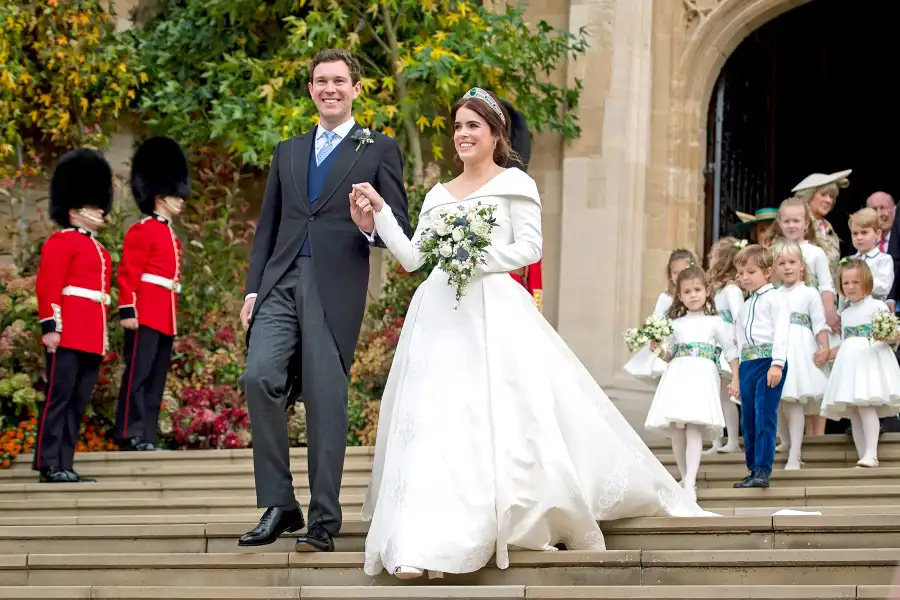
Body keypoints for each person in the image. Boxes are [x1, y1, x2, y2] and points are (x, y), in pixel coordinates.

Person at [350, 87, 712, 580]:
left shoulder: (516, 184)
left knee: (495, 419)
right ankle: (418, 543)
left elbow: (528, 249)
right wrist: (380, 218)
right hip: (438, 317)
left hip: (494, 312)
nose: (463, 134)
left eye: (473, 125)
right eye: (457, 126)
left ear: (496, 134)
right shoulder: (437, 194)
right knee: (436, 422)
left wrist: (471, 258)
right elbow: (415, 258)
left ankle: (494, 522)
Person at [236, 49, 410, 551]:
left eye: (338, 80)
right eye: (320, 81)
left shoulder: (378, 149)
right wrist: (253, 288)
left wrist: (370, 227)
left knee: (326, 402)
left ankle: (323, 521)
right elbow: (268, 226)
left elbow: (398, 229)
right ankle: (280, 503)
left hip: (335, 287)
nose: (329, 88)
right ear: (311, 90)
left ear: (356, 89)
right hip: (279, 281)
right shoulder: (287, 150)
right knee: (258, 377)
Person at [34, 148, 114, 483]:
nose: (100, 210)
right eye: (94, 206)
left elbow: (99, 299)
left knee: (77, 402)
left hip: (90, 337)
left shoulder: (100, 250)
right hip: (66, 334)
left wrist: (102, 339)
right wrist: (52, 327)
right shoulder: (61, 241)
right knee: (59, 398)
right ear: (74, 209)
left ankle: (65, 462)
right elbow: (48, 285)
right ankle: (48, 462)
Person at [114, 137, 189, 452]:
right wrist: (128, 309)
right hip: (145, 311)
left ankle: (145, 435)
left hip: (165, 314)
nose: (182, 200)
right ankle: (129, 432)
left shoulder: (170, 233)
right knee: (138, 375)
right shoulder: (142, 230)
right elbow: (128, 272)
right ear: (160, 196)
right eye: (176, 194)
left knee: (155, 377)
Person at [644, 264, 739, 501]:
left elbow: (730, 350)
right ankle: (684, 476)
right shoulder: (675, 324)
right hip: (678, 375)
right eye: (687, 292)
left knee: (694, 426)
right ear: (679, 296)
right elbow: (670, 355)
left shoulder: (715, 321)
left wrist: (735, 377)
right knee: (678, 430)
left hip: (702, 375)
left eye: (697, 289)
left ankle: (691, 482)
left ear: (707, 291)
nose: (693, 295)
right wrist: (658, 350)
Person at [821, 259, 900, 468]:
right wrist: (828, 354)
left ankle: (871, 453)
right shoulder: (845, 313)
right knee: (854, 411)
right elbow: (846, 341)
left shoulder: (877, 305)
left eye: (856, 282)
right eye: (846, 283)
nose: (851, 287)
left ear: (867, 282)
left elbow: (893, 333)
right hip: (850, 365)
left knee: (865, 405)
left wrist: (887, 335)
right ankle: (862, 453)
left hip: (870, 362)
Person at [775, 195, 838, 436]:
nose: (792, 225)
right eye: (787, 221)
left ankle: (817, 437)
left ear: (806, 223)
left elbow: (825, 286)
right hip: (785, 329)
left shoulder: (815, 253)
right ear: (780, 223)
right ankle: (791, 439)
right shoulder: (774, 252)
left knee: (814, 378)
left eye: (797, 220)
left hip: (813, 323)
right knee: (790, 384)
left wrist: (830, 314)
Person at [733, 244, 790, 489]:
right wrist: (736, 374)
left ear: (767, 272)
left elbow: (781, 331)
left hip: (768, 363)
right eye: (741, 272)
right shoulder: (745, 305)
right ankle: (752, 467)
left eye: (750, 271)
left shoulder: (775, 297)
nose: (744, 277)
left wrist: (777, 364)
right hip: (748, 363)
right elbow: (738, 338)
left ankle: (763, 470)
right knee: (748, 419)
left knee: (764, 414)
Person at [772, 238, 830, 470]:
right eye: (781, 263)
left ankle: (795, 453)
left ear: (801, 265)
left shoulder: (810, 294)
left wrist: (824, 349)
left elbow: (819, 324)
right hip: (777, 349)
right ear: (774, 268)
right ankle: (786, 442)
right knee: (776, 401)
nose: (787, 267)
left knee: (793, 399)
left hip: (799, 348)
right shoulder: (772, 295)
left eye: (792, 262)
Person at [623, 249, 695, 383]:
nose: (679, 276)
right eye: (675, 272)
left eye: (683, 271)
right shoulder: (666, 298)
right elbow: (656, 319)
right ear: (670, 274)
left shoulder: (696, 296)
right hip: (670, 346)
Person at [705, 237, 745, 454]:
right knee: (720, 396)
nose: (710, 260)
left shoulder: (732, 291)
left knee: (731, 395)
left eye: (713, 256)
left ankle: (734, 440)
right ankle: (717, 440)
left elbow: (740, 317)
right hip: (716, 346)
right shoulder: (717, 291)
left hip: (730, 346)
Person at [845, 208, 894, 305]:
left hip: (875, 312)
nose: (859, 237)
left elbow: (883, 288)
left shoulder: (884, 259)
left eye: (864, 232)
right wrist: (840, 312)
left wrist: (859, 282)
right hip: (850, 310)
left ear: (878, 234)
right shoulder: (848, 261)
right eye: (855, 233)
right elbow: (842, 292)